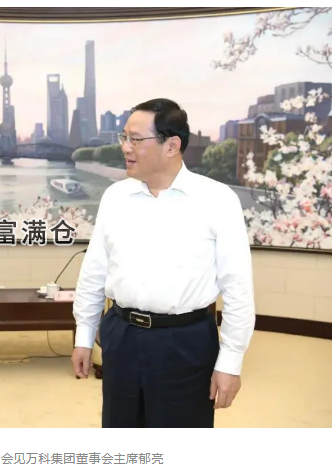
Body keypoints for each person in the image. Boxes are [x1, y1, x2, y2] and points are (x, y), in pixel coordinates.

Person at [71, 98, 255, 428]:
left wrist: (231, 362)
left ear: (171, 146)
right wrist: (83, 336)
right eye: (124, 137)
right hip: (121, 335)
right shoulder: (115, 197)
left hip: (185, 342)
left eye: (135, 139)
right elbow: (94, 272)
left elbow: (238, 289)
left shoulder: (216, 200)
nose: (125, 147)